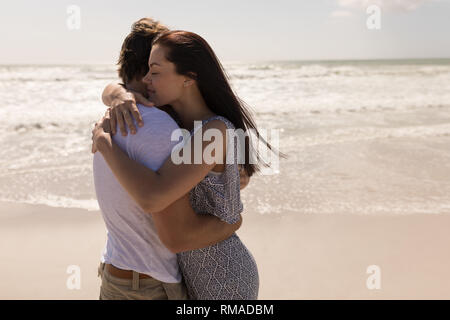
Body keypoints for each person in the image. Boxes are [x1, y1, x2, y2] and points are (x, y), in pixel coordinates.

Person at [93, 29, 284, 299]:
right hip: (193, 276)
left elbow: (154, 197)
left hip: (224, 278)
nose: (146, 79)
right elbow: (115, 87)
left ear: (188, 78)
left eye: (155, 72)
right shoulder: (177, 124)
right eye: (147, 70)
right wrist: (118, 95)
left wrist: (104, 143)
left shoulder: (213, 131)